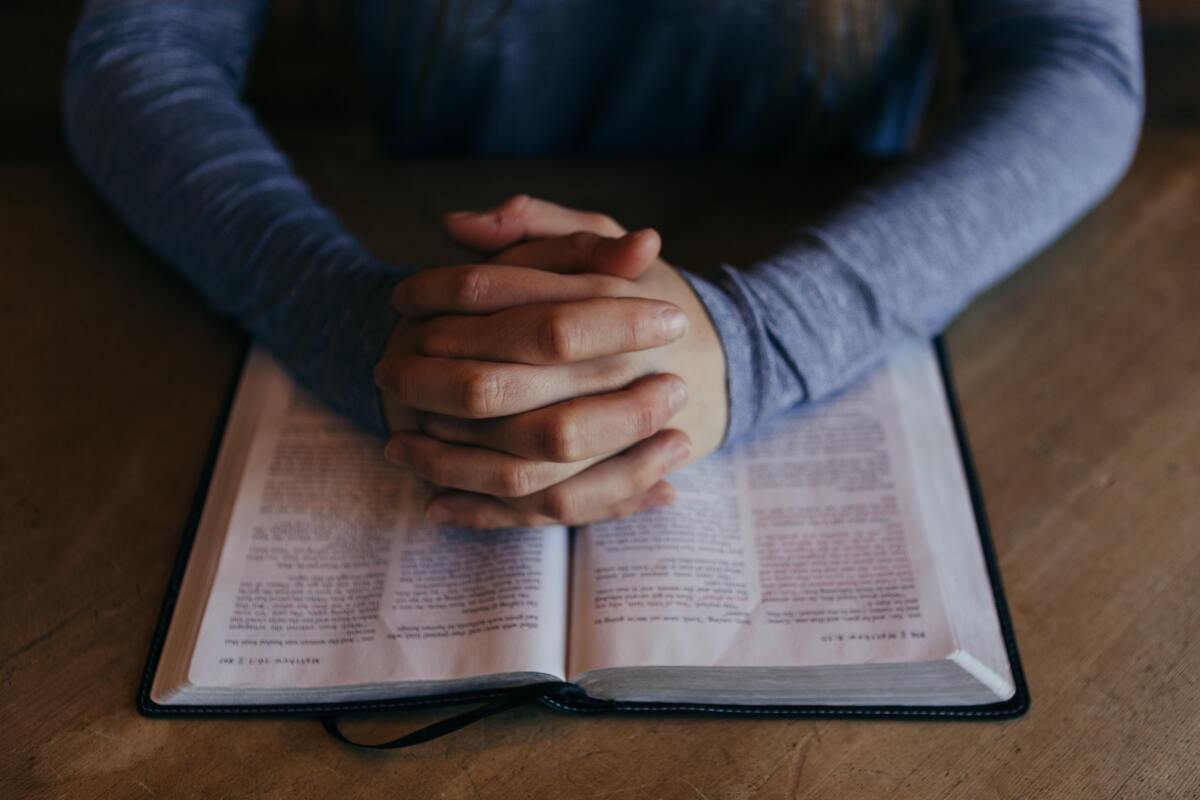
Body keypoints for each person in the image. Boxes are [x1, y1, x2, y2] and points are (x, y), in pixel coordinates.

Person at [63, 0, 1143, 529]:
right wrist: (373, 328)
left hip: (823, 250)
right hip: (436, 257)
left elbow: (1080, 64)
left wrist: (760, 338)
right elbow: (135, 53)